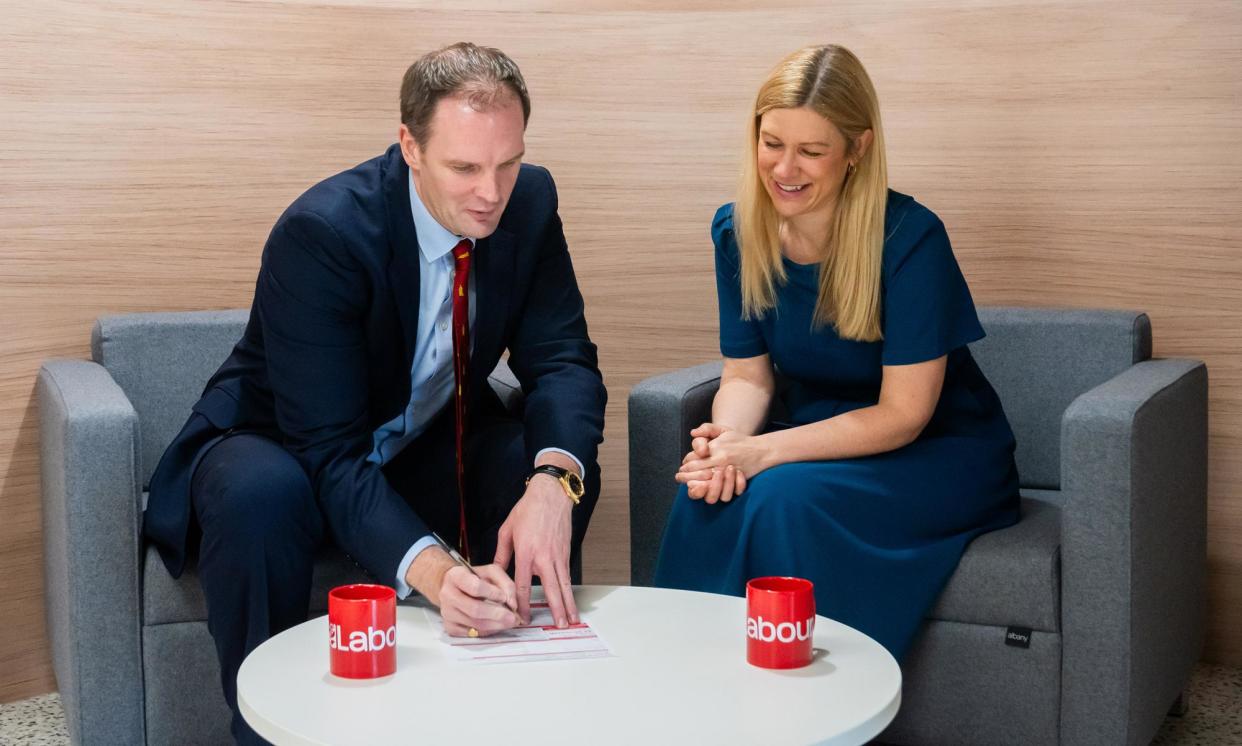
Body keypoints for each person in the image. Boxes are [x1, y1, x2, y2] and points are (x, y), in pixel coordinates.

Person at [143, 42, 606, 743]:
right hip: (282, 443)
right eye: (465, 167)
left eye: (507, 162)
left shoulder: (530, 202)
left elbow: (563, 359)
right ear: (410, 147)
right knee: (259, 495)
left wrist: (552, 481)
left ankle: (509, 702)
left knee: (545, 459)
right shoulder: (323, 232)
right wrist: (435, 573)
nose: (491, 193)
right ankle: (264, 730)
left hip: (418, 441)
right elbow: (327, 449)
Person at [654, 44, 1020, 662]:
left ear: (858, 149)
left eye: (811, 150)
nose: (785, 168)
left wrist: (764, 450)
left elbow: (904, 414)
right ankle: (683, 682)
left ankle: (810, 704)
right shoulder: (736, 230)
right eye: (772, 143)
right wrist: (727, 445)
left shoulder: (911, 237)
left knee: (779, 496)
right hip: (811, 436)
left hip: (936, 449)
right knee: (709, 493)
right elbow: (747, 376)